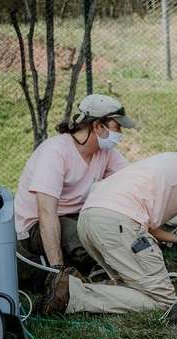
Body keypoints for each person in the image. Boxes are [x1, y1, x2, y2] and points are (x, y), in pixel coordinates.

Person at [36, 130, 177, 315]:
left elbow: (147, 225)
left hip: (89, 219)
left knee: (132, 286)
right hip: (118, 223)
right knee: (166, 303)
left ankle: (72, 290)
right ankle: (73, 295)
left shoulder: (167, 160)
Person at [15, 94, 135, 285]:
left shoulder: (105, 152)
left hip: (73, 218)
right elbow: (46, 214)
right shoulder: (55, 152)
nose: (120, 133)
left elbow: (131, 180)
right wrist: (58, 273)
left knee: (106, 229)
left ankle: (102, 272)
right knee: (85, 237)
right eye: (117, 126)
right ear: (97, 126)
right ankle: (64, 275)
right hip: (36, 226)